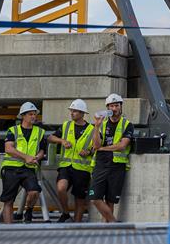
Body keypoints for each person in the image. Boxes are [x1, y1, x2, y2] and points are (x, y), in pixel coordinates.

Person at [48, 99, 94, 223]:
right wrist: (61, 141)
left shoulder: (92, 129)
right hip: (66, 166)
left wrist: (88, 152)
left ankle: (77, 225)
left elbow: (97, 147)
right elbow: (51, 137)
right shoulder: (66, 125)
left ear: (82, 113)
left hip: (83, 170)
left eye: (75, 111)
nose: (72, 113)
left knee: (79, 200)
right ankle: (66, 213)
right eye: (71, 111)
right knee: (61, 188)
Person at [89, 93, 133, 223]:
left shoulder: (127, 124)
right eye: (111, 106)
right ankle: (114, 222)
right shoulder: (101, 124)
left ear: (120, 107)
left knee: (110, 200)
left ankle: (107, 228)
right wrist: (96, 127)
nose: (114, 108)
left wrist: (103, 148)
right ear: (107, 108)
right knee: (94, 198)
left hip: (117, 165)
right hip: (101, 164)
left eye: (116, 105)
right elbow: (96, 145)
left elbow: (122, 145)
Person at [1, 102, 46, 224]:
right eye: (30, 114)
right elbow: (8, 149)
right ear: (23, 116)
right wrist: (26, 157)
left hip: (28, 169)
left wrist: (38, 156)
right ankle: (9, 230)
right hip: (11, 168)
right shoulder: (13, 130)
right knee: (8, 201)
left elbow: (42, 149)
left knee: (34, 192)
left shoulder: (39, 132)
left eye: (35, 114)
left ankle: (29, 211)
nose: (34, 116)